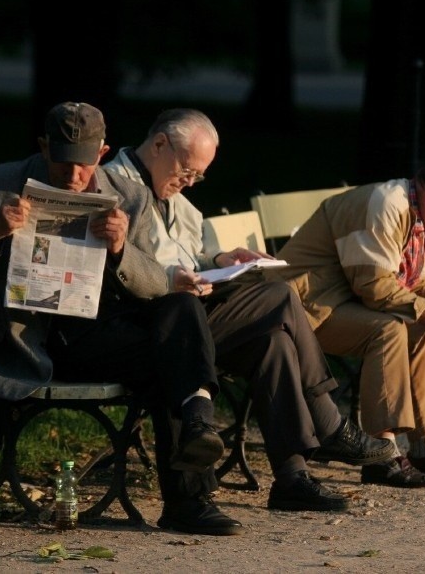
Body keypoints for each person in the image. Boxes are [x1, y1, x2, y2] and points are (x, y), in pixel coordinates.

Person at [0, 101, 242, 536]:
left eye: (85, 164)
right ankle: (189, 490)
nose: (74, 177)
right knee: (169, 359)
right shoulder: (2, 182)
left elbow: (154, 282)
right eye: (63, 162)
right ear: (43, 147)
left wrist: (120, 250)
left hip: (102, 333)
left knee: (179, 310)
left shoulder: (126, 195)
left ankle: (196, 432)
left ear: (104, 151)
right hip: (41, 340)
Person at [102, 108, 395, 512]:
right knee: (279, 296)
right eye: (186, 171)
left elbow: (192, 254)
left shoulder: (177, 200)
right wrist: (179, 276)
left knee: (272, 343)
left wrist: (224, 258)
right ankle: (328, 423)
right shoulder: (115, 187)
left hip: (192, 314)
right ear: (158, 145)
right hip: (160, 323)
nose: (188, 182)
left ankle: (291, 478)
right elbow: (133, 266)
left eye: (196, 177)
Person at [272, 156, 425, 488]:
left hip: (341, 300)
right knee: (388, 329)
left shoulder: (417, 219)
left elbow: (418, 286)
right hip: (304, 310)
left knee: (423, 323)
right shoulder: (386, 206)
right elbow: (375, 288)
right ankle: (380, 457)